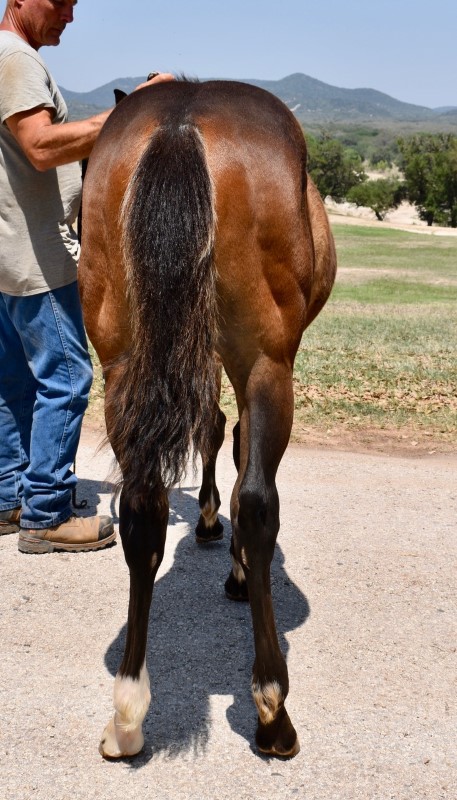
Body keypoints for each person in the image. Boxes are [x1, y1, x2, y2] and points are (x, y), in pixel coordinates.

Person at [0, 0, 172, 553]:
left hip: (9, 253)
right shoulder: (17, 59)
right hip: (37, 255)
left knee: (14, 381)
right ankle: (46, 514)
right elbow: (41, 146)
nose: (70, 15)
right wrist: (133, 113)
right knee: (68, 376)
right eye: (62, 2)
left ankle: (10, 498)